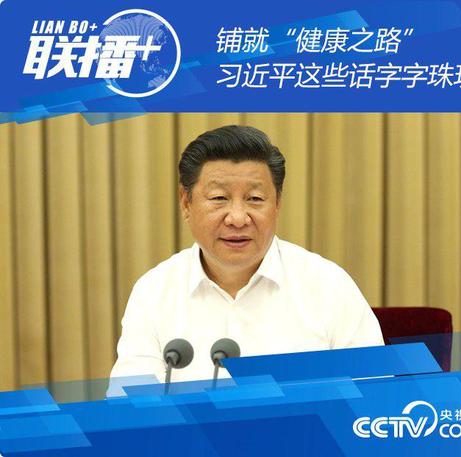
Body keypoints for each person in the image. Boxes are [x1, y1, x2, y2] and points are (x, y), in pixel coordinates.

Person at [109, 125, 383, 386]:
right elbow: (131, 403)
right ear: (186, 203)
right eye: (219, 198)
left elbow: (376, 393)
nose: (238, 218)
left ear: (277, 204)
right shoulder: (154, 291)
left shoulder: (328, 286)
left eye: (255, 199)